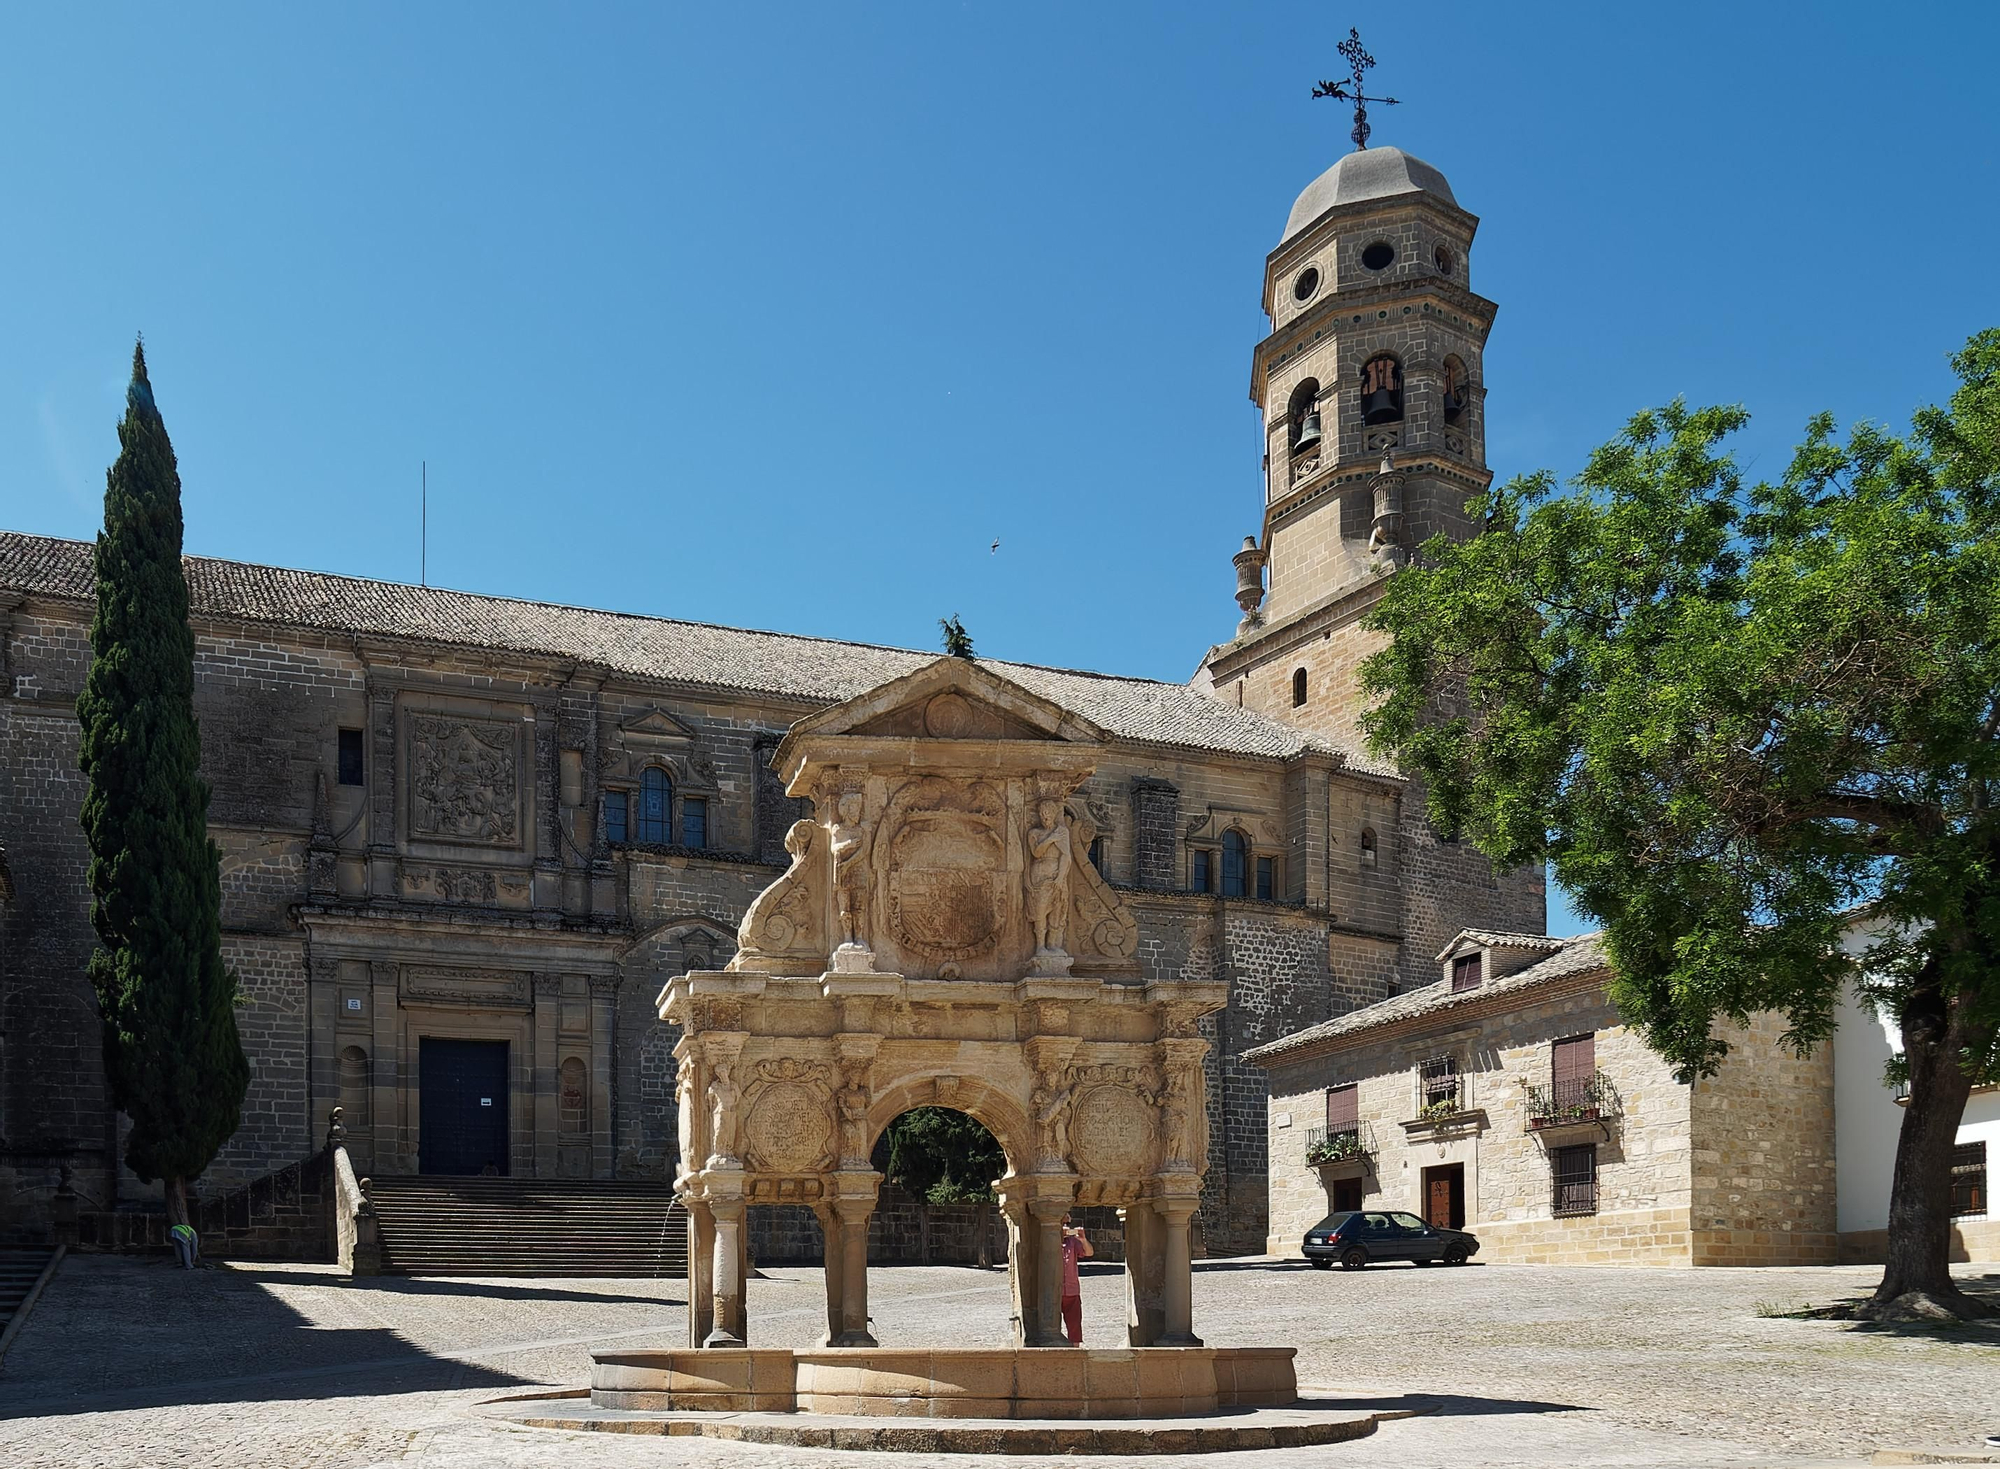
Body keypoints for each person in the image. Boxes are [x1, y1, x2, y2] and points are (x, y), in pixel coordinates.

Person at [1059, 1214, 1093, 1346]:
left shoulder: (1073, 1242)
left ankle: (1075, 1352)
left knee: (1074, 1326)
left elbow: (1089, 1253)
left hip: (1072, 1290)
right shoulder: (1048, 1241)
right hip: (1055, 1291)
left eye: (1068, 1224)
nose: (1066, 1227)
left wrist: (1083, 1239)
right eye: (1063, 1224)